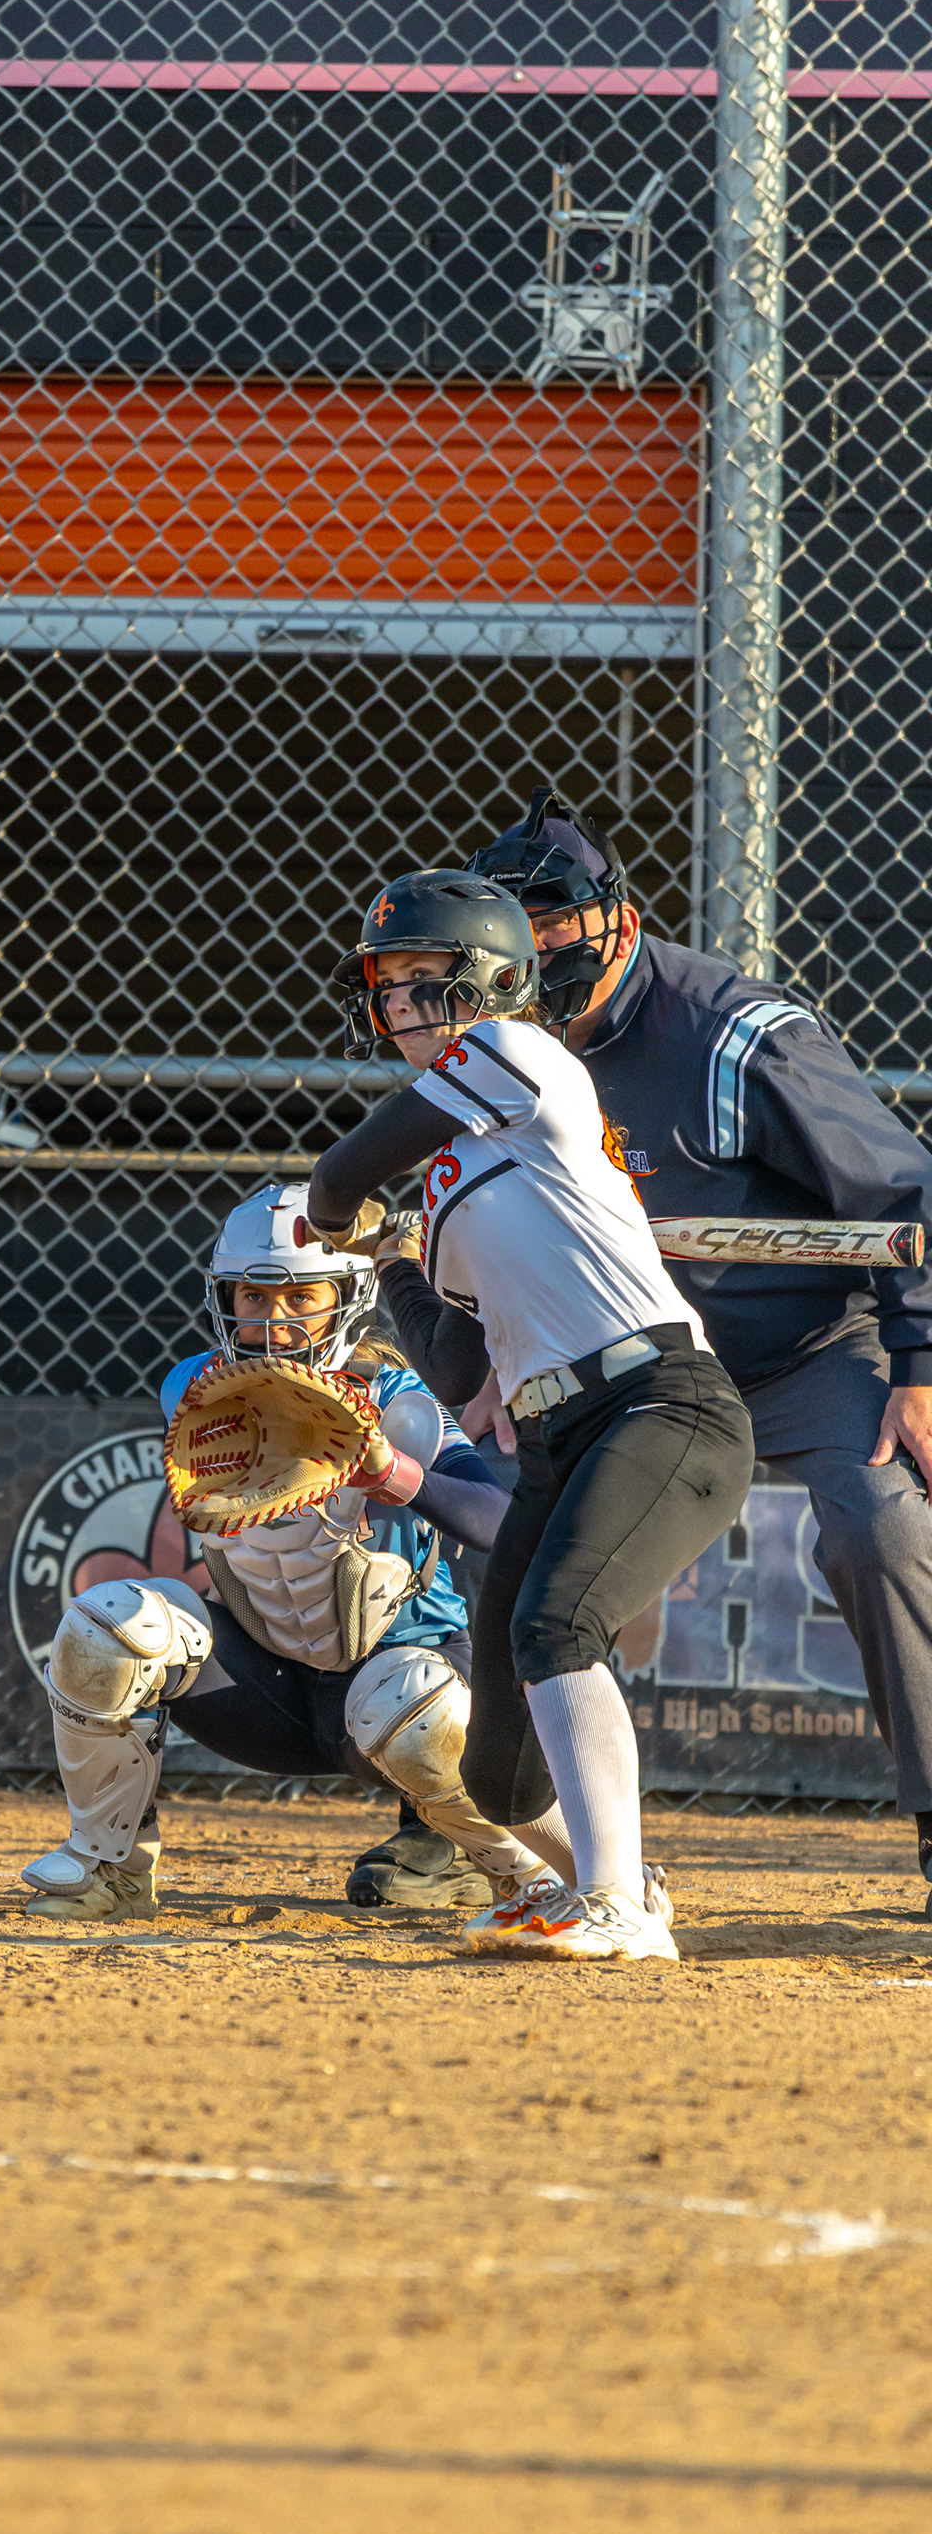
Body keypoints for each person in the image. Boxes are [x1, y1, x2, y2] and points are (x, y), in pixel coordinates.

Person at [469, 790, 932, 1904]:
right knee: (482, 1506)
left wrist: (922, 1365)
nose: (536, 952)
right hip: (629, 1363)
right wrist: (489, 1353)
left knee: (882, 1526)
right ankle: (467, 1820)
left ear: (620, 921)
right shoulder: (492, 1044)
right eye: (513, 931)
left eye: (555, 923)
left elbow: (905, 1192)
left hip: (804, 1347)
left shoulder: (735, 1037)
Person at [306, 870, 756, 1962]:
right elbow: (461, 1363)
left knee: (559, 1627)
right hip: (558, 1436)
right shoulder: (455, 1178)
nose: (404, 1001)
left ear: (498, 980)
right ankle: (620, 1878)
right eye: (391, 984)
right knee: (499, 1774)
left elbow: (344, 1169)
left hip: (660, 1400)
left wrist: (336, 1205)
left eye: (430, 977)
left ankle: (614, 1906)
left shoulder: (524, 1055)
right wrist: (395, 1256)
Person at [20, 1179, 577, 1922]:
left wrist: (392, 1472)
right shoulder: (193, 1387)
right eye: (253, 1296)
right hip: (266, 1686)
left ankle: (531, 1878)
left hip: (391, 1681)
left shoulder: (398, 1401)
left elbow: (498, 1520)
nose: (273, 1321)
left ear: (346, 1298)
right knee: (106, 1628)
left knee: (414, 1707)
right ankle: (110, 1868)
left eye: (300, 1297)